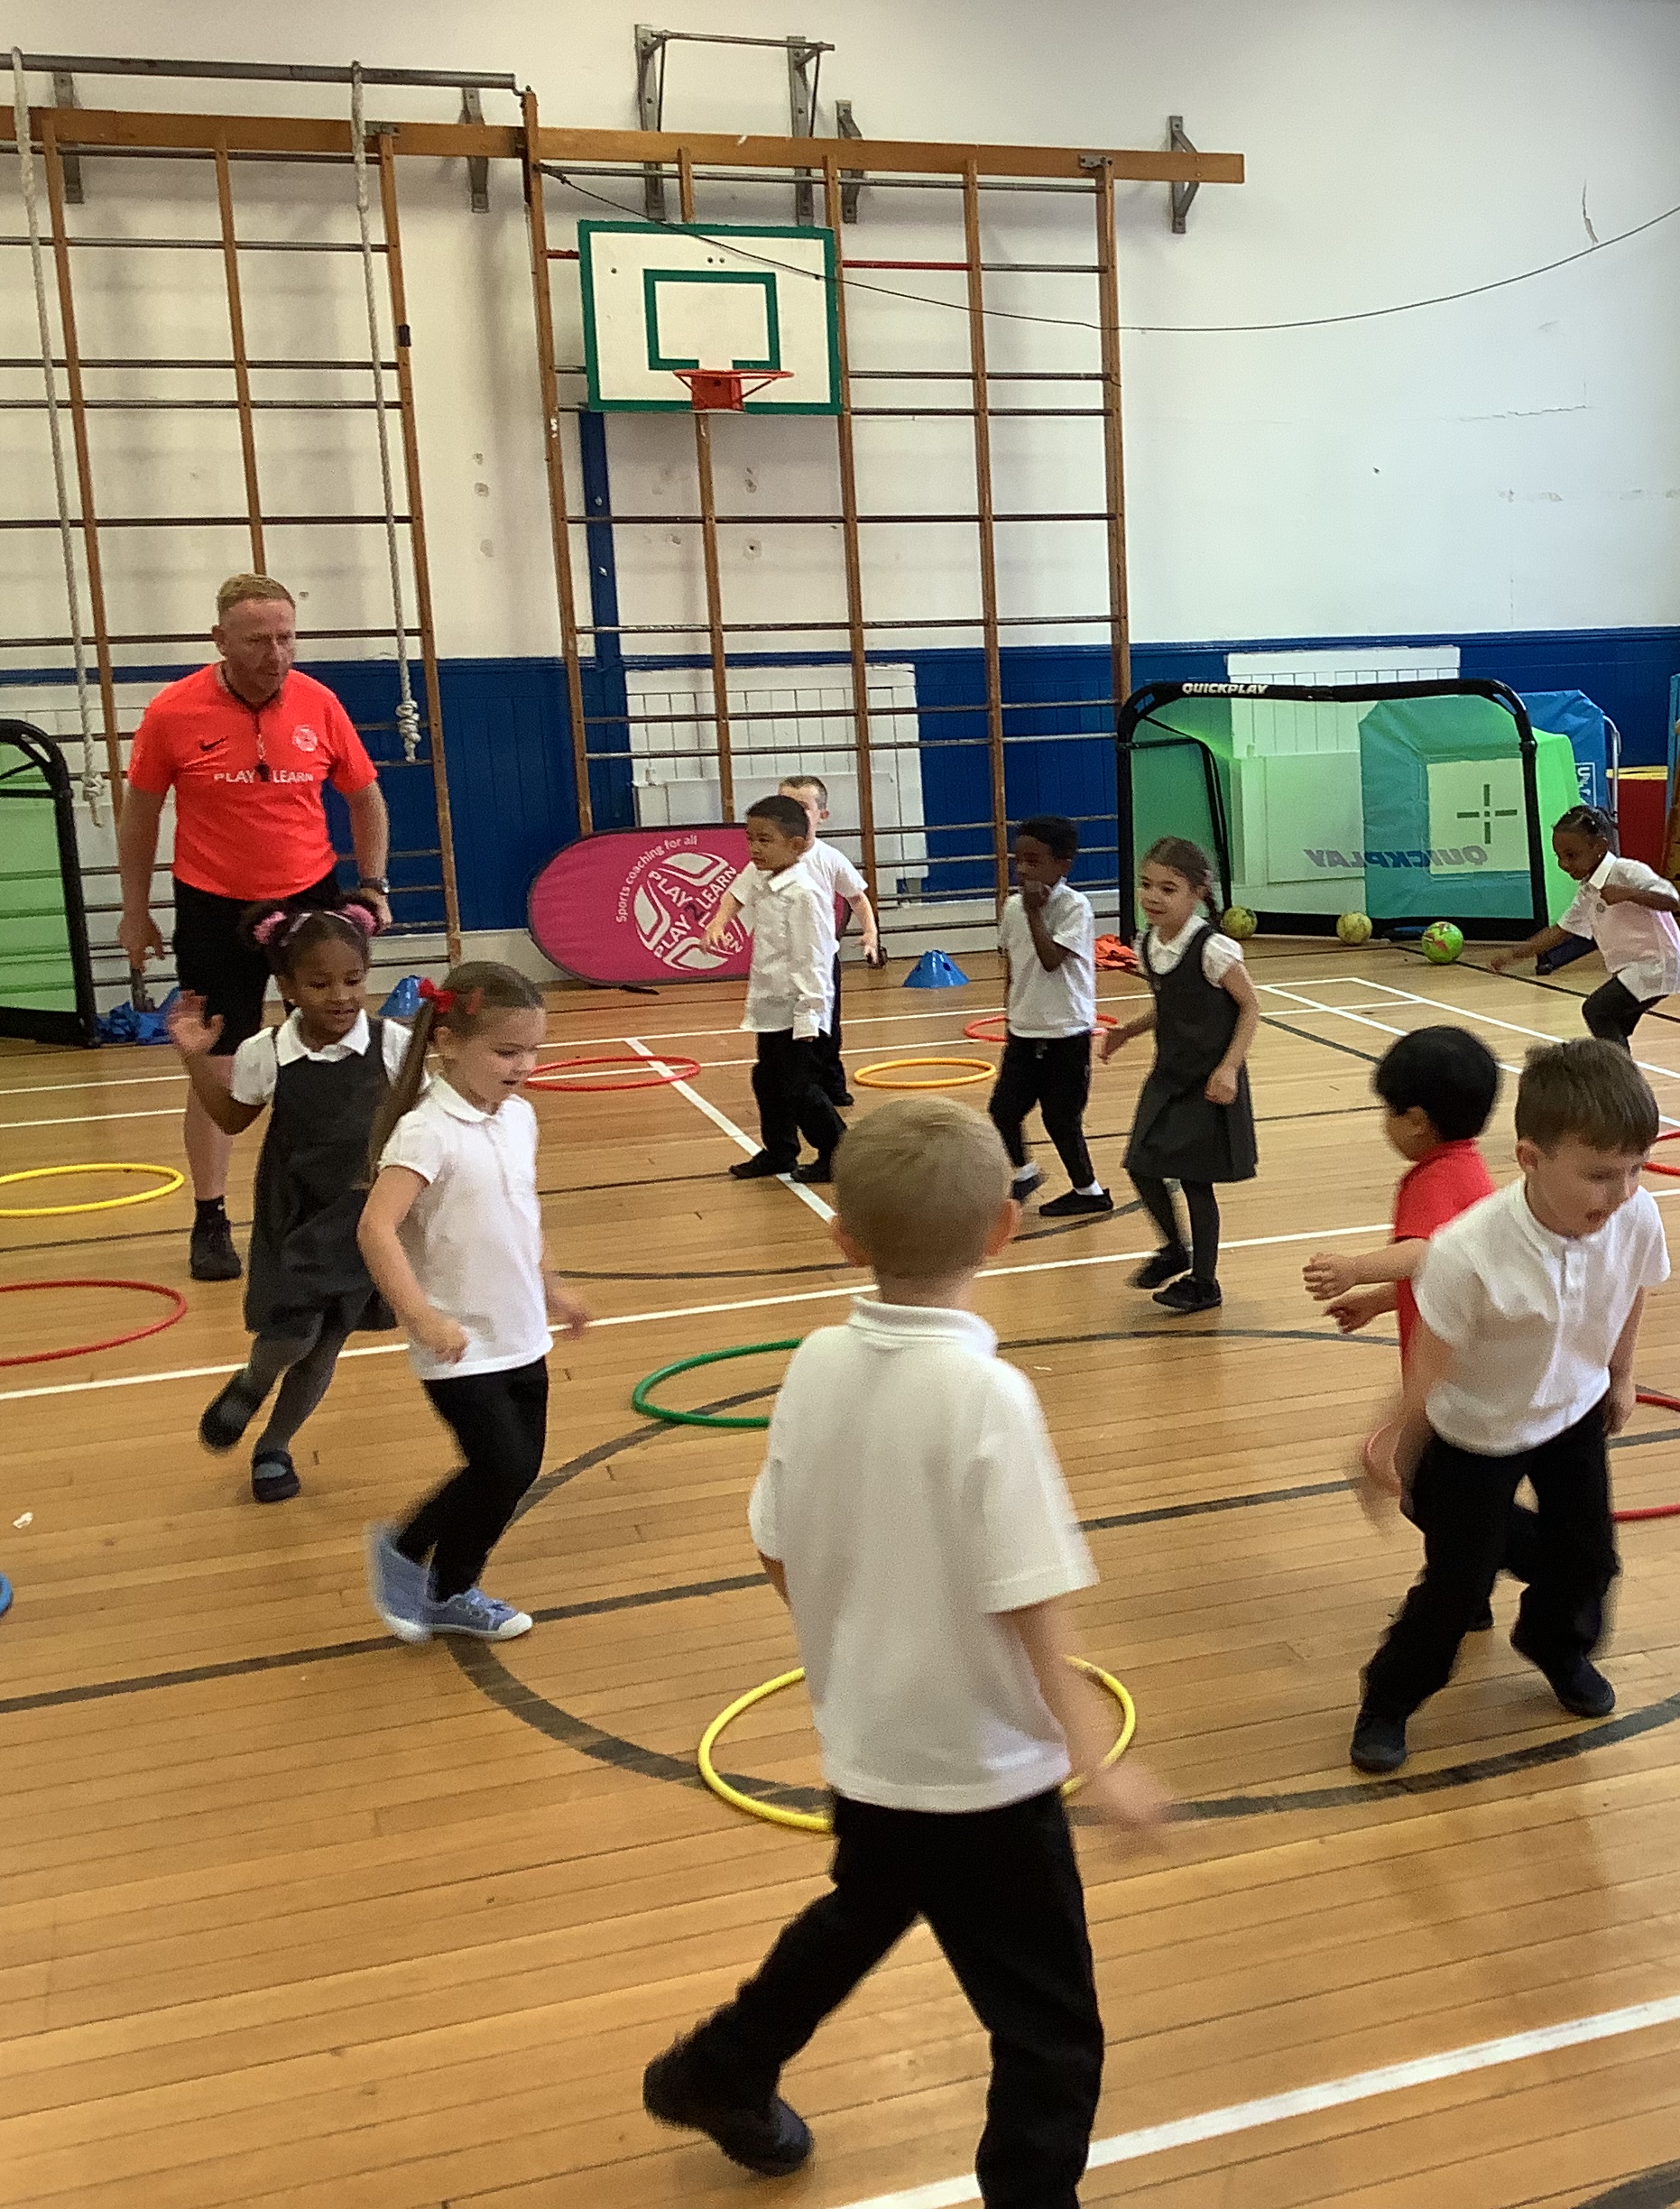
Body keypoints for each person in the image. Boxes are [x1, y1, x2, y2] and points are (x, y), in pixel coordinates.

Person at [642, 1095, 1165, 2195]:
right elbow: (1033, 1596)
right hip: (983, 1776)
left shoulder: (816, 1363)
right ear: (1004, 1229)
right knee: (1050, 2033)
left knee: (866, 1907)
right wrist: (1097, 1759)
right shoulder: (987, 1396)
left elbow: (774, 1543)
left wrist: (850, 1645)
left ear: (843, 1236)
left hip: (870, 1743)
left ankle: (721, 2068)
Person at [1348, 1039, 1670, 1776]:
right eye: (1599, 1175)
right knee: (1456, 1589)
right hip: (1477, 1432)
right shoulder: (1468, 1251)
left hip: (1573, 1413)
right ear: (1530, 1159)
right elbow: (1429, 1362)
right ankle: (1389, 1698)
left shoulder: (1635, 1215)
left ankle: (1554, 1645)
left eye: (1635, 1169)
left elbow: (1634, 1288)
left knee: (1591, 1561)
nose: (1621, 1191)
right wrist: (1399, 1447)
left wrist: (1622, 1375)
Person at [115, 572, 393, 1284]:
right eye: (258, 640)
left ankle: (336, 1199)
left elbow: (366, 798)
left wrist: (372, 884)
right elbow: (140, 813)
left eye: (286, 637)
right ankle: (210, 1217)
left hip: (309, 900)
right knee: (217, 1061)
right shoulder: (173, 712)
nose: (276, 654)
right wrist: (135, 909)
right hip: (214, 906)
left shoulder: (319, 703)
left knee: (333, 1050)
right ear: (220, 640)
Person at [354, 962, 591, 1643]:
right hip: (458, 1343)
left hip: (521, 1331)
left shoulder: (518, 1118)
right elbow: (375, 1228)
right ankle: (409, 1554)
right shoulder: (427, 1131)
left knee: (514, 1473)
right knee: (500, 1466)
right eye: (507, 1051)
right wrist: (421, 1317)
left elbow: (522, 1213)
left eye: (533, 1051)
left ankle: (449, 1586)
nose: (525, 1066)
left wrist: (553, 1285)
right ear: (449, 1043)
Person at [166, 901, 403, 1504]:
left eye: (353, 979)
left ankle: (274, 1445)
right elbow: (230, 1119)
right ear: (287, 987)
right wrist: (195, 1058)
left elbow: (424, 1121)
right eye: (320, 983)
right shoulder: (266, 1051)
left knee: (324, 1347)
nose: (341, 996)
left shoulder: (394, 1044)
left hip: (360, 1219)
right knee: (292, 1335)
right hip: (293, 1213)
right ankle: (253, 1378)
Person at [1302, 1024, 1534, 1628]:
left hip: (1455, 1366)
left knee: (1428, 1491)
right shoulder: (1464, 1168)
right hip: (1464, 1357)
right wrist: (1380, 1301)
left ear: (1417, 1122)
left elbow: (1426, 1252)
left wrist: (1355, 1268)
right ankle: (1470, 1593)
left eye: (1390, 1110)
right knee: (1446, 1491)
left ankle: (1537, 1562)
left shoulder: (1434, 1180)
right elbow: (1446, 1270)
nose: (1385, 1123)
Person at [1095, 836, 1259, 1315]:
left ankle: (1204, 1281)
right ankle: (1174, 1248)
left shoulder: (1214, 950)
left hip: (1208, 1080)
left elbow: (1250, 1007)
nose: (1153, 897)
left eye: (1168, 889)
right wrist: (1127, 1031)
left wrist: (1228, 1067)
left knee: (1195, 1181)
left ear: (1197, 893)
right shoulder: (1147, 945)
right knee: (1140, 1163)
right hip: (1168, 1076)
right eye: (1146, 885)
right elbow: (1170, 1006)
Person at [700, 792, 845, 1187]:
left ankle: (838, 1151)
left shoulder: (804, 894)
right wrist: (717, 923)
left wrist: (809, 1015)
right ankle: (780, 1150)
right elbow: (735, 894)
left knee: (800, 1087)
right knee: (767, 1079)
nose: (755, 848)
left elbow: (813, 959)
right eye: (750, 839)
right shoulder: (759, 874)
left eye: (765, 840)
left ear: (795, 845)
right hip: (770, 1003)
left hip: (800, 1009)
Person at [990, 814, 1112, 1218]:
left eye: (1034, 861)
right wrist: (1011, 1012)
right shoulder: (1012, 907)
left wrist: (1034, 913)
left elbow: (1049, 959)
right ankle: (1024, 1172)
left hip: (1066, 1030)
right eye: (1019, 860)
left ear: (1063, 865)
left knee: (1061, 1119)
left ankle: (1089, 1191)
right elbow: (1014, 965)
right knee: (1003, 1110)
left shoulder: (1074, 907)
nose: (1023, 870)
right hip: (1024, 1029)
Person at [1485, 806, 1680, 1045]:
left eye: (1571, 855)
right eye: (1559, 856)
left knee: (1597, 1011)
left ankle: (1615, 1068)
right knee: (1613, 1026)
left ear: (1599, 847)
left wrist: (1629, 893)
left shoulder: (1627, 871)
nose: (1563, 864)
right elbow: (1560, 931)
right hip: (1634, 968)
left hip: (1658, 964)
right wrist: (1514, 954)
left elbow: (1671, 900)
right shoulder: (1588, 890)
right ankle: (1618, 1067)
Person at [777, 775, 883, 1109]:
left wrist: (870, 933)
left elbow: (857, 897)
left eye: (802, 807)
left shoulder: (829, 857)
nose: (793, 813)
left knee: (826, 1026)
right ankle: (794, 1085)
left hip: (821, 961)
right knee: (786, 1029)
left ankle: (831, 1085)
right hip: (784, 961)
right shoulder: (770, 858)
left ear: (821, 815)